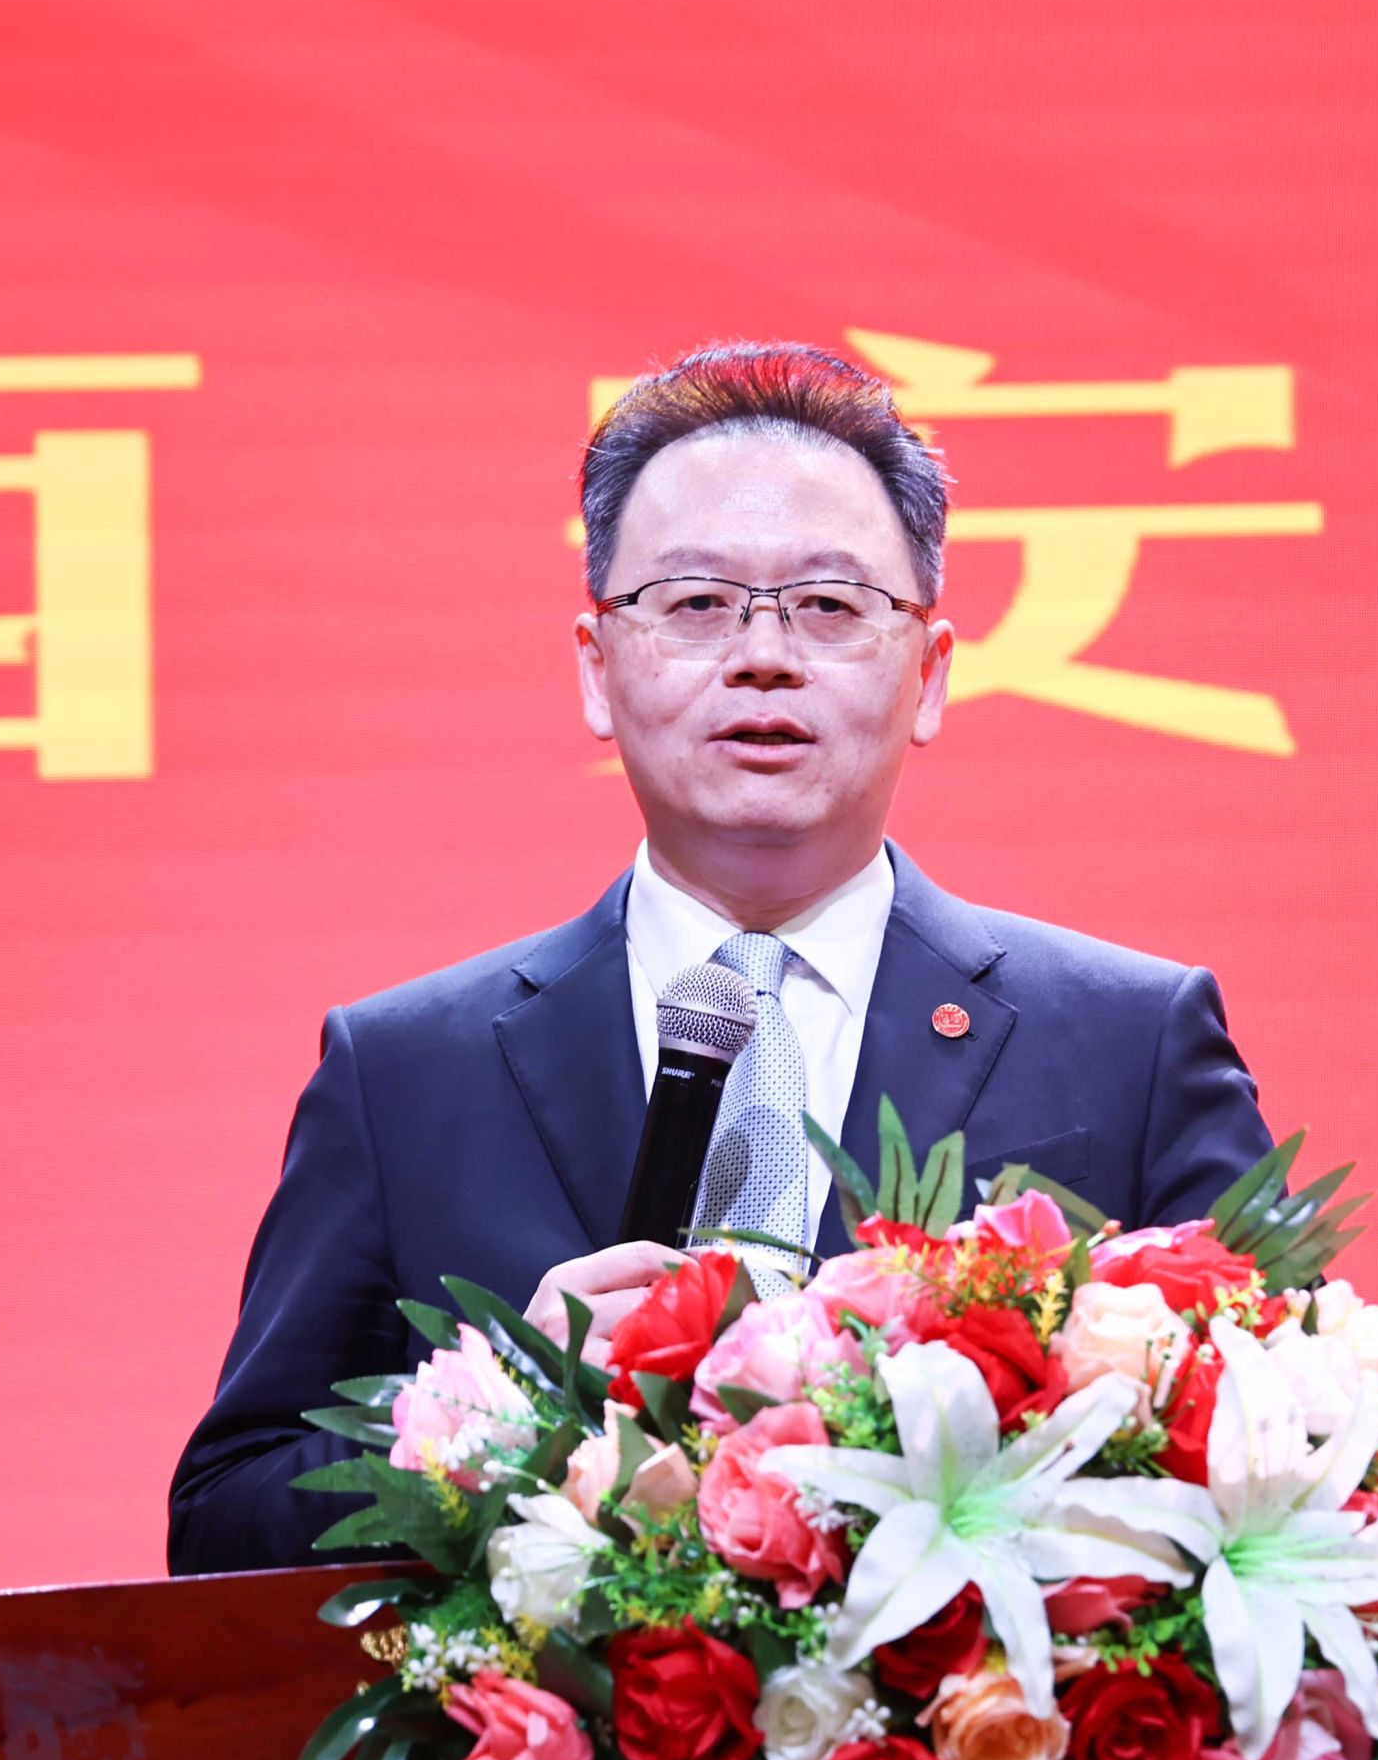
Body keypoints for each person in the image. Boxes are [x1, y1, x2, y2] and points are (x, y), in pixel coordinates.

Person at [167, 341, 1276, 1573]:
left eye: (830, 606)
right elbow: (223, 1523)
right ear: (597, 668)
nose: (762, 654)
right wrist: (503, 1409)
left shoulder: (1129, 1044)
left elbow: (1300, 1443)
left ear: (928, 674)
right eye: (696, 603)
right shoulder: (406, 1074)